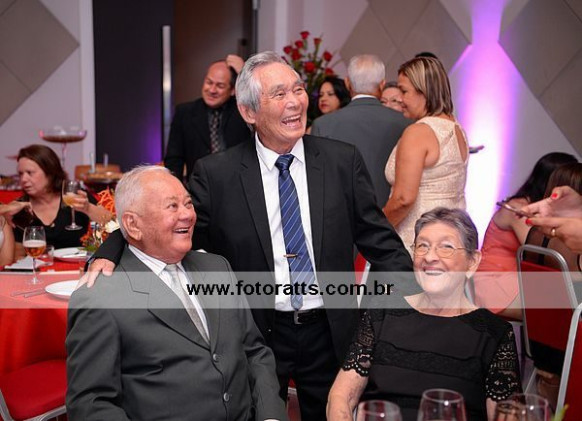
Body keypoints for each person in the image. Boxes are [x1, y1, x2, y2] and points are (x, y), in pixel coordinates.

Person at [87, 51, 416, 421]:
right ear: (248, 111)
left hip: (330, 331)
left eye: (298, 90)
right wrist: (113, 246)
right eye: (279, 94)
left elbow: (383, 245)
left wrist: (394, 317)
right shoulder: (218, 174)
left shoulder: (341, 161)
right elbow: (173, 224)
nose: (295, 102)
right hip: (257, 336)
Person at [66, 165, 287, 421]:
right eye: (172, 206)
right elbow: (91, 404)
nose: (188, 215)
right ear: (133, 224)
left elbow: (255, 352)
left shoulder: (217, 268)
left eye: (188, 203)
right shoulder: (100, 298)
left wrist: (270, 416)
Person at [327, 208, 521, 421]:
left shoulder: (494, 334)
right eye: (422, 246)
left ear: (472, 261)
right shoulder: (383, 312)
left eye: (446, 247)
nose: (429, 257)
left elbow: (507, 416)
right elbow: (341, 397)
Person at [473, 153, 577, 319]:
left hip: (519, 279)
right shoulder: (518, 208)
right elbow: (541, 252)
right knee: (567, 305)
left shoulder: (537, 208)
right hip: (495, 282)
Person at [383, 56, 469, 252]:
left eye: (404, 91)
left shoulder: (419, 132)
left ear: (424, 91)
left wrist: (374, 229)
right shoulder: (456, 128)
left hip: (417, 241)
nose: (400, 99)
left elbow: (403, 199)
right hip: (452, 242)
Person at [311, 54, 411, 206]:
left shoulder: (323, 125)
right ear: (382, 84)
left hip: (341, 213)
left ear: (347, 83)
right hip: (391, 212)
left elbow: (317, 181)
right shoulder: (405, 123)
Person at [11, 145, 111, 254]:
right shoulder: (20, 208)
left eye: (30, 173)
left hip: (77, 263)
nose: (23, 179)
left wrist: (88, 208)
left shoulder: (74, 197)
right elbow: (18, 255)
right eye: (20, 174)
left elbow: (110, 223)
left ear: (49, 172)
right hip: (40, 264)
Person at [164, 59, 252, 182]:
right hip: (198, 186)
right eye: (209, 82)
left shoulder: (243, 112)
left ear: (233, 90)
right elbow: (174, 160)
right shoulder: (185, 112)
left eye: (220, 86)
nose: (212, 90)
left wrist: (244, 74)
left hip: (236, 184)